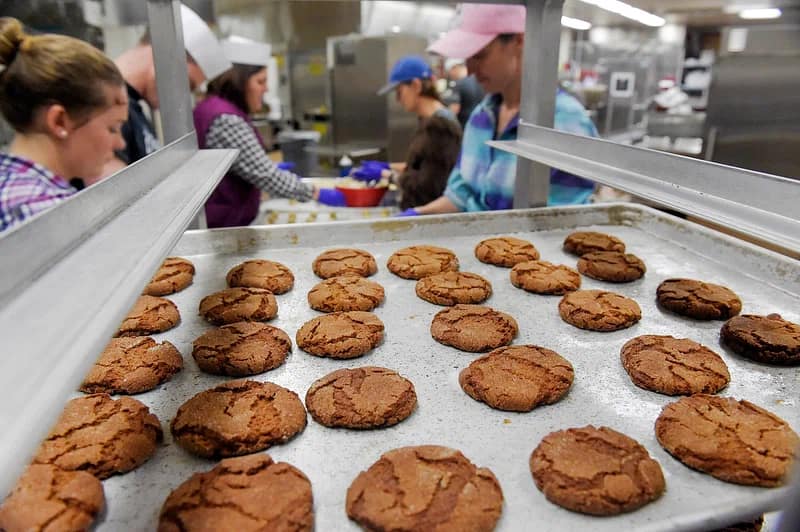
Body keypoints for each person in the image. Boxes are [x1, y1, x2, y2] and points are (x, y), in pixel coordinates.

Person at [400, 3, 598, 216]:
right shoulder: (481, 116)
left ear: (519, 41)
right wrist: (417, 216)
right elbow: (461, 195)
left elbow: (566, 222)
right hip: (474, 244)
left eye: (480, 54)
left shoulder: (567, 122)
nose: (470, 70)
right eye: (467, 57)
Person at [194, 36, 343, 228]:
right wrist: (316, 193)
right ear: (239, 82)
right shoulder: (226, 119)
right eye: (260, 81)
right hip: (225, 224)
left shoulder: (213, 107)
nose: (266, 89)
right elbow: (267, 176)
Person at [0, 17, 128, 232]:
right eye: (112, 128)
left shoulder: (11, 182)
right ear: (59, 121)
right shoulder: (42, 214)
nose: (120, 144)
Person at [107, 3, 231, 173]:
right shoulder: (107, 109)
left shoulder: (135, 111)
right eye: (187, 84)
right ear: (162, 53)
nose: (183, 96)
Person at [375, 55, 462, 210]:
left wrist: (387, 175)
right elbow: (422, 166)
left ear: (416, 85)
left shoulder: (441, 127)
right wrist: (388, 167)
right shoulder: (428, 120)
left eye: (399, 91)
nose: (398, 99)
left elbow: (430, 185)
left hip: (428, 220)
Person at [442, 58, 484, 128]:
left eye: (449, 72)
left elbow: (454, 109)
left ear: (454, 68)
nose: (450, 75)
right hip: (482, 125)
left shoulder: (457, 84)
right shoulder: (479, 81)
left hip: (465, 127)